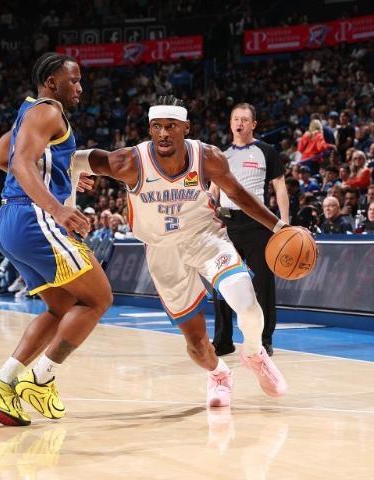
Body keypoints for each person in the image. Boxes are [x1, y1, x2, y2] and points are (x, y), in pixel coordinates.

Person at [73, 95, 289, 408]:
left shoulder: (208, 157)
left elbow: (239, 194)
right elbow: (73, 158)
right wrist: (71, 182)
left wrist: (279, 227)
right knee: (197, 345)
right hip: (163, 251)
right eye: (157, 126)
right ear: (150, 128)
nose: (163, 133)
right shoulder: (130, 161)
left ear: (186, 127)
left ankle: (255, 354)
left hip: (206, 238)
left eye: (171, 126)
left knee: (249, 306)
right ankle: (219, 374)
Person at [0, 53, 113, 427]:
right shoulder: (49, 111)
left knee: (62, 306)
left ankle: (2, 381)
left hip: (10, 221)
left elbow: (1, 156)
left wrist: (61, 173)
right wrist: (57, 208)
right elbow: (20, 164)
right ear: (52, 82)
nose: (80, 88)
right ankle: (40, 380)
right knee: (99, 298)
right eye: (74, 80)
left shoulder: (28, 112)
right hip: (35, 218)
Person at [209, 103, 289, 357]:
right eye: (235, 119)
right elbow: (213, 190)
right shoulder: (221, 155)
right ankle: (223, 340)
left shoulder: (267, 151)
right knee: (222, 283)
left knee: (263, 284)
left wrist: (284, 223)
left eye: (244, 119)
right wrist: (209, 216)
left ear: (253, 124)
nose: (239, 123)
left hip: (258, 223)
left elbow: (280, 187)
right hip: (226, 224)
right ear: (230, 123)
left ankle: (264, 340)